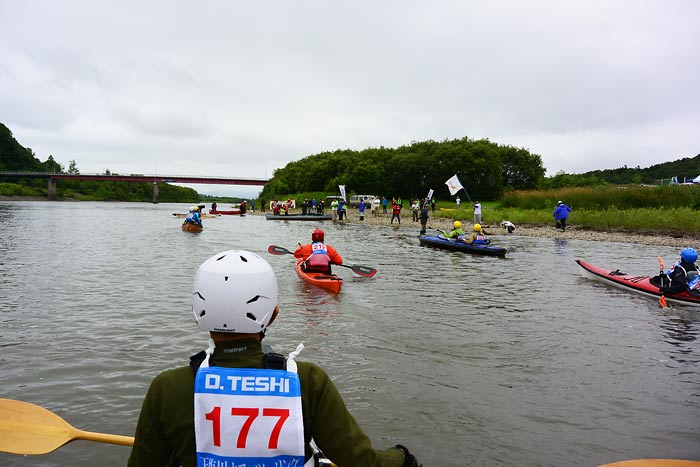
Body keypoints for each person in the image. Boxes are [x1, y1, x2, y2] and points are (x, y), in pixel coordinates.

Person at [128, 250, 420, 467]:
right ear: (273, 315)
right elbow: (362, 463)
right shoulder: (307, 380)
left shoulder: (166, 387)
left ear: (198, 313)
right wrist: (402, 457)